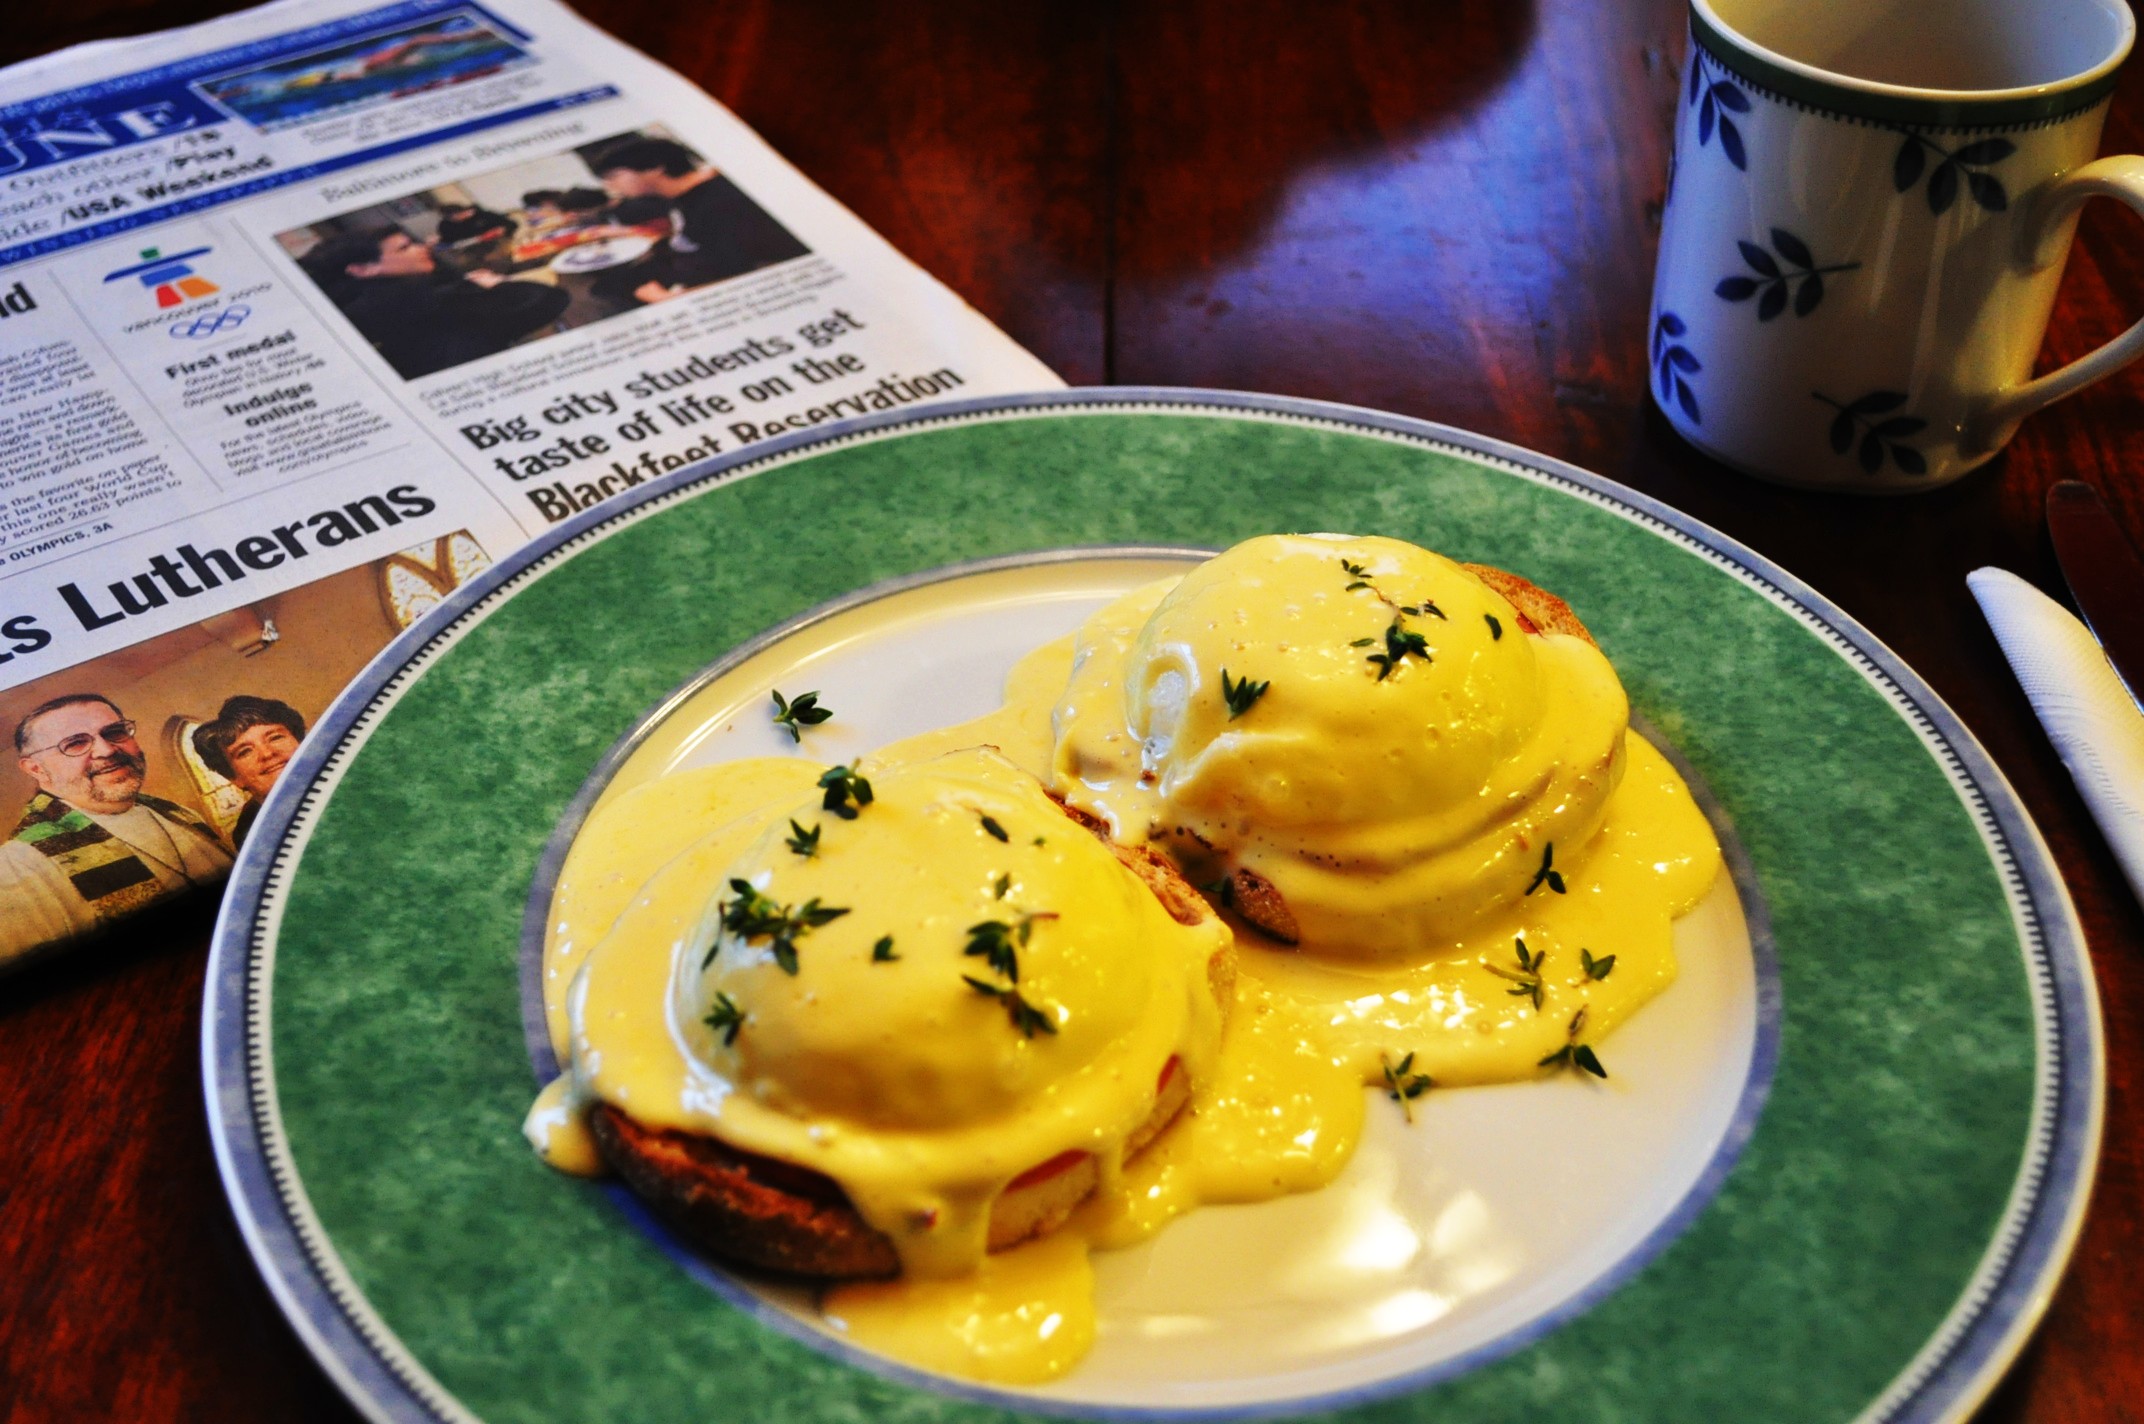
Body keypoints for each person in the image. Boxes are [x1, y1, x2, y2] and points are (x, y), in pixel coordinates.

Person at [1, 694, 233, 962]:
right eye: (75, 744)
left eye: (115, 732)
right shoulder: (18, 867)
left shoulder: (178, 814)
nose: (107, 750)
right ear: (36, 768)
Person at [304, 227, 569, 379]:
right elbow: (549, 301)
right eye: (405, 248)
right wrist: (495, 283)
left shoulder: (356, 308)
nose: (422, 248)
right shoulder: (421, 297)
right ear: (363, 269)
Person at [590, 136, 809, 305]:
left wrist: (670, 299)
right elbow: (686, 232)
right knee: (605, 286)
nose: (610, 186)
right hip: (688, 263)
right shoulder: (676, 196)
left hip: (706, 280)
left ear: (655, 168)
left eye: (613, 176)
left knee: (610, 294)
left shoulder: (720, 203)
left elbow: (749, 271)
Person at [191, 696, 306, 848]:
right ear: (234, 777)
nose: (267, 753)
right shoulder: (253, 838)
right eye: (244, 752)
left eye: (275, 737)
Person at [433, 200, 513, 246]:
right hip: (472, 248)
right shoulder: (446, 226)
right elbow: (448, 241)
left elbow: (511, 224)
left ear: (464, 210)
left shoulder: (484, 215)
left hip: (497, 242)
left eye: (460, 215)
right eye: (454, 218)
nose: (459, 219)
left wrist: (503, 229)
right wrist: (439, 240)